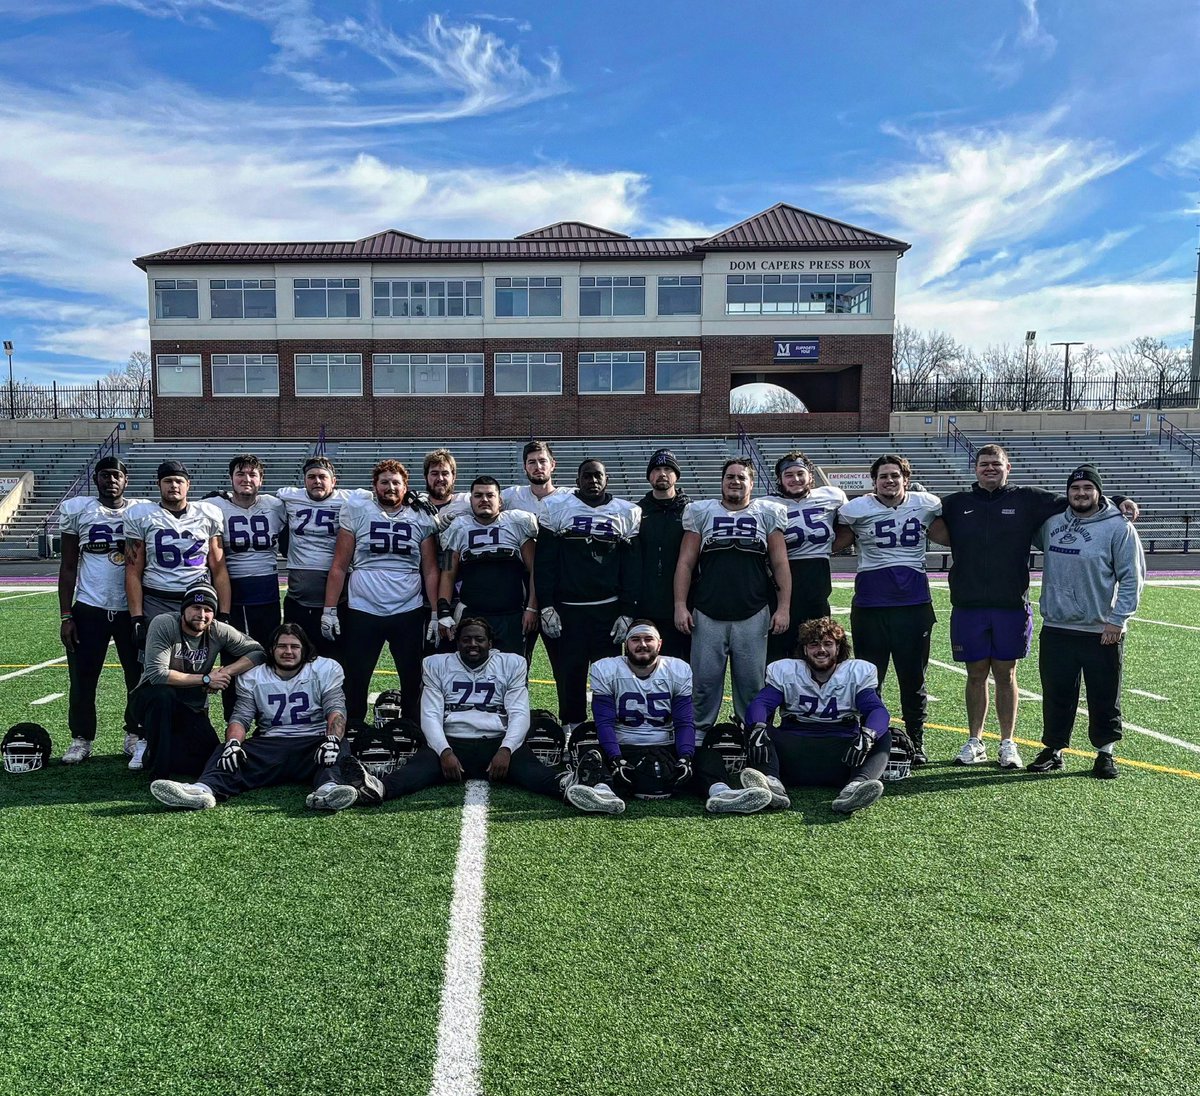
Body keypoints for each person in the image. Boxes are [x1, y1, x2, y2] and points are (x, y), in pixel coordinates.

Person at [927, 443, 1138, 769]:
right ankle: (976, 741)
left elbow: (1081, 498)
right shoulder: (957, 503)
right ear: (975, 468)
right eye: (984, 464)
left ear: (1008, 468)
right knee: (976, 675)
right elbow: (919, 509)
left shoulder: (1028, 499)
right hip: (969, 605)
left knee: (1007, 674)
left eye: (996, 464)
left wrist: (1119, 498)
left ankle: (1008, 743)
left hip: (1012, 604)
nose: (990, 469)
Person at [345, 618, 566, 803]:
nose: (472, 644)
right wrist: (444, 751)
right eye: (466, 639)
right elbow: (431, 714)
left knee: (537, 775)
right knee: (412, 773)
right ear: (457, 642)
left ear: (490, 643)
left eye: (479, 639)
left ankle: (569, 786)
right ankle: (376, 789)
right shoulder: (437, 665)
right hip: (453, 741)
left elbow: (519, 713)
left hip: (496, 741)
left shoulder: (511, 664)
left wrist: (507, 749)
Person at [147, 622, 362, 810]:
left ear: (304, 649)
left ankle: (328, 791)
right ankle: (202, 790)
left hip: (312, 744)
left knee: (339, 746)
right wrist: (233, 743)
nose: (288, 651)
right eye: (282, 646)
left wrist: (332, 739)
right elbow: (241, 716)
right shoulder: (255, 676)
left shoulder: (324, 669)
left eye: (294, 646)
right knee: (226, 751)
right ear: (271, 649)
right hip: (270, 745)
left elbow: (335, 708)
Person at [566, 621, 770, 815]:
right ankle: (603, 793)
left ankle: (721, 793)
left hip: (666, 746)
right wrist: (616, 758)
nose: (642, 644)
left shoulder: (676, 669)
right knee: (591, 752)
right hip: (624, 745)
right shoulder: (606, 669)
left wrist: (685, 757)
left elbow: (684, 722)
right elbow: (604, 722)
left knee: (708, 755)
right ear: (626, 644)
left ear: (659, 644)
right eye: (635, 639)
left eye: (648, 639)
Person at [1028, 465, 1145, 778]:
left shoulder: (1119, 527)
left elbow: (1132, 578)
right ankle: (1053, 749)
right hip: (1057, 625)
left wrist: (1117, 620)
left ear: (1098, 492)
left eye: (1087, 488)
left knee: (1104, 695)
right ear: (1067, 492)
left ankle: (1105, 753)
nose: (1080, 494)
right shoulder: (1052, 523)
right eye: (1075, 488)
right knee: (1056, 694)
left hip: (1101, 629)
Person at [834, 454, 941, 766]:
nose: (889, 481)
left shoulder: (926, 504)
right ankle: (872, 738)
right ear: (874, 481)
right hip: (871, 606)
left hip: (913, 605)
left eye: (895, 475)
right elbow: (835, 539)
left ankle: (916, 741)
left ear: (906, 479)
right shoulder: (857, 509)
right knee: (870, 679)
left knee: (913, 679)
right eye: (883, 476)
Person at [124, 460, 230, 770]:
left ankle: (194, 729)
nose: (174, 486)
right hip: (159, 599)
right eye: (168, 481)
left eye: (179, 481)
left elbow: (218, 567)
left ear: (188, 485)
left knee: (199, 664)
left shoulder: (208, 514)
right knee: (152, 671)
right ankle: (143, 737)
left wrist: (223, 612)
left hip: (199, 603)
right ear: (159, 485)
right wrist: (136, 617)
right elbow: (133, 569)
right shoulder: (142, 515)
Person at [673, 458, 790, 733]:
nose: (735, 481)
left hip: (753, 611)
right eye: (730, 477)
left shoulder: (767, 513)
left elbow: (780, 563)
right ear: (722, 481)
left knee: (752, 685)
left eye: (741, 477)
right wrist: (680, 605)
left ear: (752, 483)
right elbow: (685, 563)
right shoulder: (702, 512)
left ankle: (752, 734)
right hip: (707, 610)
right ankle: (698, 735)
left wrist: (783, 607)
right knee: (703, 683)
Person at [321, 460, 438, 723]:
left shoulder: (420, 516)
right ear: (374, 486)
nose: (390, 487)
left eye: (396, 482)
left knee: (412, 679)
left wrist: (434, 612)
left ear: (406, 487)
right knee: (356, 679)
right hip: (363, 608)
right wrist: (329, 609)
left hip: (407, 609)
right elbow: (339, 565)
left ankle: (412, 732)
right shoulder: (358, 510)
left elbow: (430, 569)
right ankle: (352, 732)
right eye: (384, 482)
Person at [744, 616, 893, 814]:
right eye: (814, 644)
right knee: (755, 728)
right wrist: (757, 727)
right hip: (793, 750)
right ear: (805, 650)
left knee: (882, 734)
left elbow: (877, 710)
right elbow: (761, 703)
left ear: (838, 648)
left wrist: (868, 736)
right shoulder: (788, 671)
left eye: (828, 644)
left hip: (843, 754)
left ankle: (856, 786)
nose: (821, 649)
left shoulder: (855, 672)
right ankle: (772, 783)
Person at [535, 459, 641, 731]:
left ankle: (609, 729)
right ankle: (572, 728)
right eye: (587, 476)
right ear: (577, 480)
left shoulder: (626, 512)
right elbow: (544, 562)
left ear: (607, 480)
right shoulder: (556, 507)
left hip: (607, 609)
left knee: (608, 675)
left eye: (598, 476)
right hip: (569, 609)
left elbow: (632, 567)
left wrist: (627, 611)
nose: (593, 481)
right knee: (569, 673)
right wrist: (546, 605)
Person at [57, 456, 150, 764]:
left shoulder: (140, 510)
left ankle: (135, 732)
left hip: (130, 609)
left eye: (116, 475)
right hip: (90, 606)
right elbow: (68, 567)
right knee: (83, 678)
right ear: (95, 478)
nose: (111, 480)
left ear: (126, 480)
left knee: (137, 676)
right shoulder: (80, 511)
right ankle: (81, 738)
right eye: (105, 475)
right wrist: (66, 615)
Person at [130, 581, 265, 782]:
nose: (201, 614)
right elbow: (157, 674)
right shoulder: (164, 623)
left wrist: (225, 672)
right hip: (149, 700)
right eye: (196, 607)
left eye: (208, 610)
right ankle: (159, 772)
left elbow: (258, 652)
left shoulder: (218, 630)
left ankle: (158, 752)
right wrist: (206, 679)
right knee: (163, 696)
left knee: (207, 759)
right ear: (184, 609)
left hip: (190, 707)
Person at [211, 454, 287, 719]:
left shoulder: (275, 505)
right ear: (230, 478)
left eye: (252, 474)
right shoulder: (213, 506)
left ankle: (269, 718)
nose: (246, 479)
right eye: (240, 474)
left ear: (261, 479)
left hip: (268, 592)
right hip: (233, 593)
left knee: (269, 655)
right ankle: (234, 719)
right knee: (234, 656)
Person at [437, 476, 538, 654]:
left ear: (500, 501)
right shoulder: (458, 527)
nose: (484, 499)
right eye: (478, 495)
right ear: (471, 500)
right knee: (471, 666)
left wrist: (532, 607)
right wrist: (443, 612)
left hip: (511, 615)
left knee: (512, 667)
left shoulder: (516, 524)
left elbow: (535, 570)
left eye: (490, 495)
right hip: (471, 616)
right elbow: (447, 573)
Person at [767, 450, 848, 664]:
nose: (795, 479)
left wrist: (830, 547)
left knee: (818, 647)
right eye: (789, 475)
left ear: (810, 476)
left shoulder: (832, 496)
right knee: (779, 652)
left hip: (817, 579)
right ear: (779, 479)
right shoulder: (767, 504)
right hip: (781, 578)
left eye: (800, 473)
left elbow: (850, 527)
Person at [277, 456, 358, 661]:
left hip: (337, 601)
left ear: (334, 481)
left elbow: (380, 497)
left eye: (323, 477)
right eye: (311, 477)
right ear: (304, 480)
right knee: (297, 659)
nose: (317, 481)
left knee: (336, 661)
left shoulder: (350, 499)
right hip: (298, 600)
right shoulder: (289, 496)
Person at [635, 448, 691, 658]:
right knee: (644, 662)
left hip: (683, 603)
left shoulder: (691, 511)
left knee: (680, 665)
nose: (662, 474)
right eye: (657, 469)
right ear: (649, 475)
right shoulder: (637, 512)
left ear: (676, 475)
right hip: (645, 602)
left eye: (668, 469)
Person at [501, 440, 561, 518]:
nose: (538, 467)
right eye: (532, 462)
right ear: (524, 467)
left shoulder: (567, 497)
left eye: (542, 461)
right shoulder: (511, 496)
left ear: (552, 465)